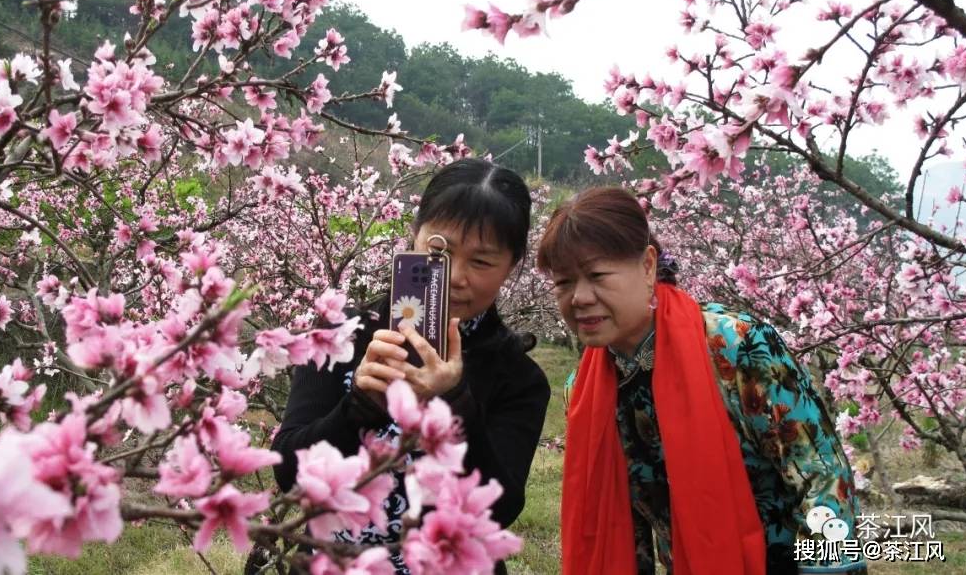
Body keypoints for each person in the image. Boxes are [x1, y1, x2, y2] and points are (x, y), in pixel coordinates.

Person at [538, 186, 866, 575]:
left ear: (647, 266)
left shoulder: (737, 347)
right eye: (563, 283)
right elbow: (624, 528)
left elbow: (821, 475)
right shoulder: (584, 390)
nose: (579, 298)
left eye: (596, 275)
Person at [264, 158, 551, 574]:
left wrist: (454, 402)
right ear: (413, 236)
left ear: (513, 266)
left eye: (483, 261)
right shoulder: (342, 335)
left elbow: (499, 508)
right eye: (440, 250)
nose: (455, 276)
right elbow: (289, 474)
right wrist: (359, 405)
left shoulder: (518, 377)